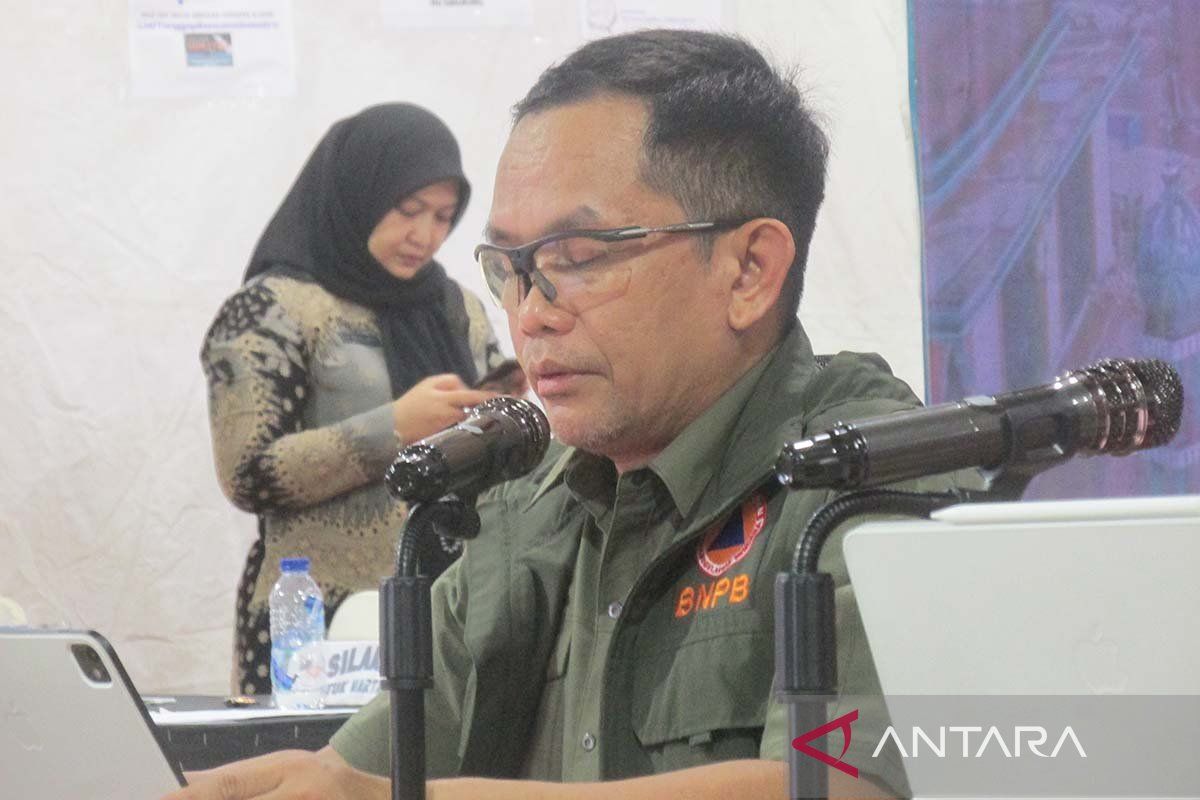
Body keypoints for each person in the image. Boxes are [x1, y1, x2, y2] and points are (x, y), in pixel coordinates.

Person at [172, 30, 959, 799]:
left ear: (750, 270)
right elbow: (363, 770)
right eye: (510, 268)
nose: (530, 315)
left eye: (577, 259)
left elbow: (850, 783)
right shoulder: (524, 512)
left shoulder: (867, 479)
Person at [201, 103, 511, 696]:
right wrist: (394, 426)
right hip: (316, 624)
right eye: (408, 210)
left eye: (444, 216)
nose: (426, 235)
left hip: (452, 609)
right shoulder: (273, 309)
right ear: (358, 194)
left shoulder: (456, 308)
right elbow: (246, 474)